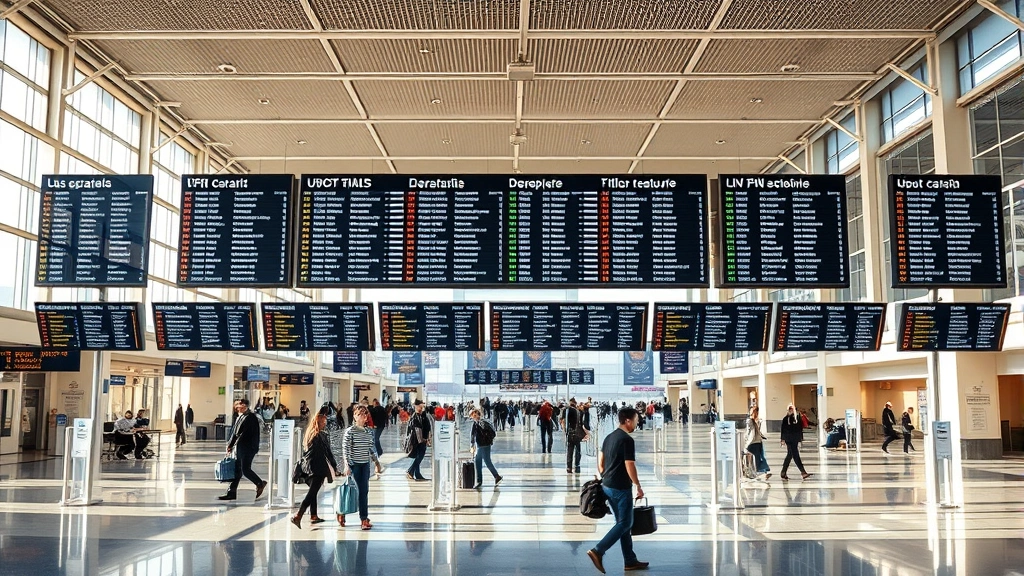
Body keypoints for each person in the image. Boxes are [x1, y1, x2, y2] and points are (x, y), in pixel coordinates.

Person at [586, 407, 648, 574]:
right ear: (627, 420)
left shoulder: (609, 437)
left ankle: (630, 560)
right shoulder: (627, 440)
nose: (637, 422)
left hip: (607, 486)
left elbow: (600, 463)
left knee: (622, 524)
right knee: (625, 523)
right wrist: (638, 485)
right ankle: (598, 550)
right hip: (621, 487)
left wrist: (605, 477)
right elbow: (630, 465)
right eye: (636, 419)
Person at [291, 413, 338, 529]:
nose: (325, 424)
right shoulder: (320, 436)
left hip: (308, 467)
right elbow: (327, 453)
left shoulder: (309, 435)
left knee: (313, 491)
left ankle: (314, 515)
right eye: (323, 422)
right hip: (318, 468)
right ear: (318, 423)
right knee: (311, 493)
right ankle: (298, 515)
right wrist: (334, 466)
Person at [342, 405, 384, 529]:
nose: (363, 416)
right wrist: (347, 465)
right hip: (354, 465)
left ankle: (364, 519)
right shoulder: (350, 431)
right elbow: (346, 449)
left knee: (364, 491)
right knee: (354, 491)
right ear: (354, 416)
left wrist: (377, 463)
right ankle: (341, 512)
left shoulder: (368, 432)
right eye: (360, 414)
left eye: (365, 414)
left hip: (365, 465)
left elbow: (371, 449)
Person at [219, 398, 267, 501]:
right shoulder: (242, 416)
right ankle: (231, 492)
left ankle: (259, 483)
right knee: (238, 470)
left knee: (245, 469)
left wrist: (231, 444)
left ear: (244, 406)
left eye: (238, 406)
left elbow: (239, 434)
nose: (236, 408)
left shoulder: (249, 417)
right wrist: (231, 444)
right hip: (241, 447)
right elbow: (235, 433)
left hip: (248, 448)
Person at [468, 409, 502, 488]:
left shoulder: (478, 423)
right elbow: (473, 435)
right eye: (471, 415)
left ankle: (480, 481)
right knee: (485, 461)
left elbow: (473, 435)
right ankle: (496, 476)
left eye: (473, 414)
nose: (472, 416)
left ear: (476, 413)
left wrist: (472, 444)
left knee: (479, 461)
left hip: (482, 445)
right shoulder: (482, 422)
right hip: (486, 444)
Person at [780, 404, 811, 480]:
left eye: (792, 409)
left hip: (795, 439)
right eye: (789, 409)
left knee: (790, 455)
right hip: (789, 440)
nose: (791, 411)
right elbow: (783, 430)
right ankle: (803, 472)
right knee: (795, 455)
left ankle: (783, 472)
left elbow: (800, 428)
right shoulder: (785, 419)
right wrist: (782, 439)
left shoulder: (797, 419)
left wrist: (800, 438)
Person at [406, 400, 431, 481]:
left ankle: (417, 474)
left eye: (423, 406)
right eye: (420, 406)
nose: (422, 408)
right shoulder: (415, 417)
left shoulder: (421, 415)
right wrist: (423, 440)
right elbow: (417, 430)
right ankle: (410, 470)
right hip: (418, 441)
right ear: (416, 406)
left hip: (420, 440)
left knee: (418, 456)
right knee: (419, 456)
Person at [563, 398, 589, 474]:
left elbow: (564, 421)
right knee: (577, 450)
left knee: (570, 451)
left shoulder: (567, 410)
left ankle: (569, 467)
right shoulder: (579, 411)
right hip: (577, 433)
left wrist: (565, 431)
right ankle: (577, 466)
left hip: (570, 433)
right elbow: (582, 423)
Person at [745, 406, 771, 479]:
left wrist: (762, 436)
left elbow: (757, 431)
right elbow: (749, 432)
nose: (756, 414)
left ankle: (760, 472)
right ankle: (754, 472)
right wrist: (747, 442)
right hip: (752, 443)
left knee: (759, 458)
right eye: (755, 412)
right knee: (756, 459)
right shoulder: (750, 421)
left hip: (757, 442)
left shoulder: (756, 421)